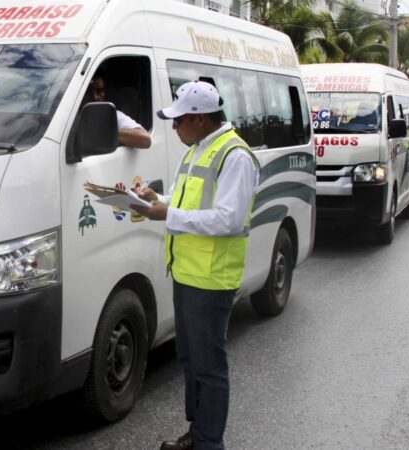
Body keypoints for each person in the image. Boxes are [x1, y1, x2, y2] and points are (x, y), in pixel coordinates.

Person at [131, 81, 259, 450]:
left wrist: (167, 214)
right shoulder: (198, 148)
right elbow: (192, 201)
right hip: (187, 273)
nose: (174, 128)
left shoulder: (234, 156)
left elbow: (229, 220)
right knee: (190, 360)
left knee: (209, 367)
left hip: (212, 279)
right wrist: (158, 198)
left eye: (179, 120)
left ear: (201, 119)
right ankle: (198, 432)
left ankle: (208, 442)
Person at [83, 75, 151, 149]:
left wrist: (106, 133)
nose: (95, 97)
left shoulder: (111, 115)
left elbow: (145, 139)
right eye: (89, 92)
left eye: (99, 91)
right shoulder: (73, 114)